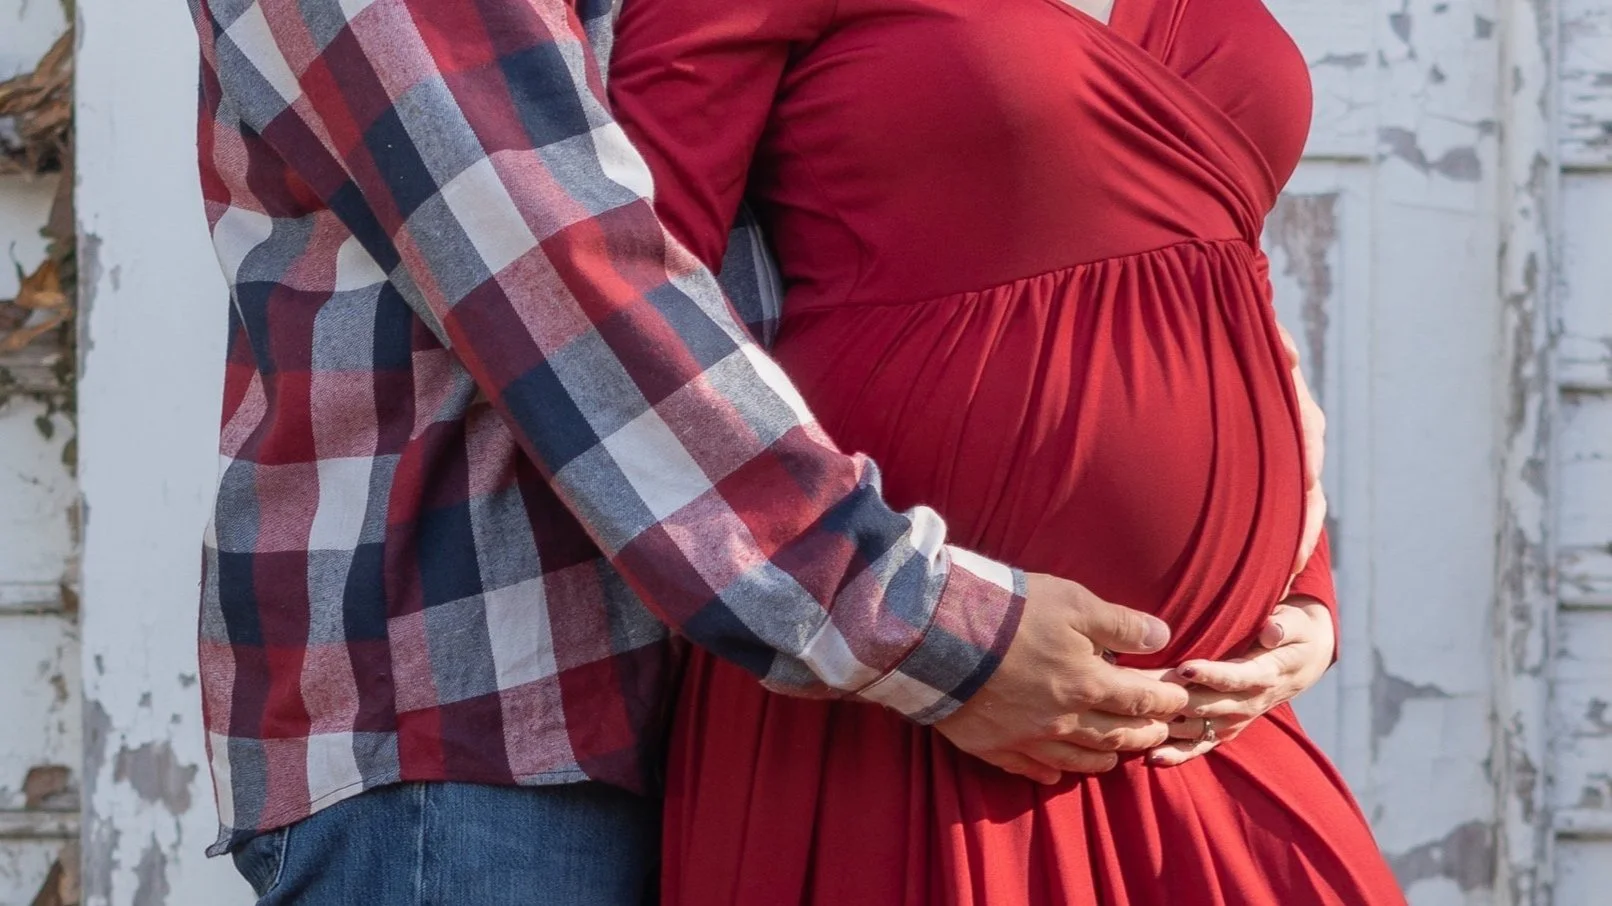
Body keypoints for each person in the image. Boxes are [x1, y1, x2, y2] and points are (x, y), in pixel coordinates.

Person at [182, 0, 1332, 902]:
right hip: (479, 712)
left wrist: (1288, 557)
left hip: (778, 661)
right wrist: (928, 628)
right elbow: (560, 279)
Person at [606, 0, 1406, 902]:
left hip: (1203, 709)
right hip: (912, 703)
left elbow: (1222, 284)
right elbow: (629, 309)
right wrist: (913, 639)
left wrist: (1305, 591)